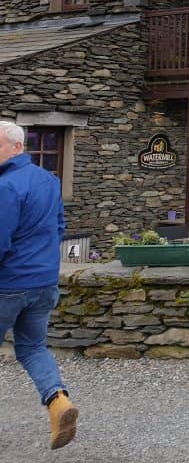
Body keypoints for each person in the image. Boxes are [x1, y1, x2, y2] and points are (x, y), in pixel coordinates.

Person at [0, 121, 78, 449]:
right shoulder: (49, 180)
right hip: (44, 282)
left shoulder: (6, 186)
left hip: (8, 283)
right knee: (33, 348)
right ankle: (58, 401)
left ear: (17, 146)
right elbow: (58, 228)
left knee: (32, 347)